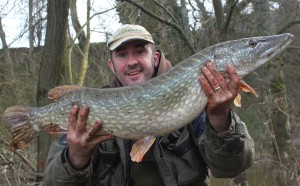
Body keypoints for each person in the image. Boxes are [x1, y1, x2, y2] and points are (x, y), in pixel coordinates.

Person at [44, 24, 254, 186]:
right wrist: (76, 156)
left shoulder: (198, 95)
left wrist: (219, 117)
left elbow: (231, 167)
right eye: (122, 54)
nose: (132, 61)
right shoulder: (89, 108)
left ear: (154, 58)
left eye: (139, 51)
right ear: (112, 65)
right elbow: (53, 182)